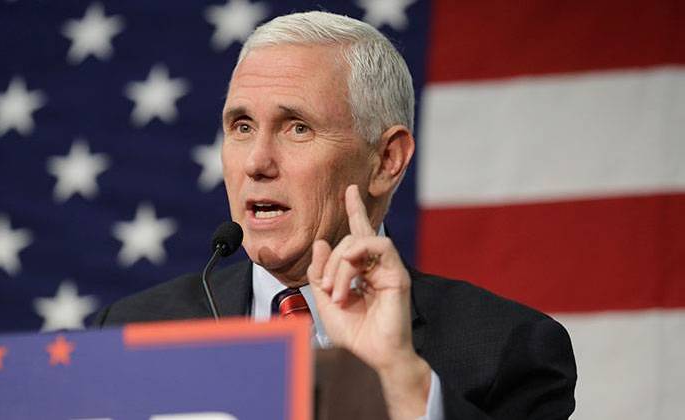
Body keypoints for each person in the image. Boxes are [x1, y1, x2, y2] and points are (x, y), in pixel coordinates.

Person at [94, 11, 576, 420]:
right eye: (241, 126)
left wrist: (400, 380)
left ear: (387, 160)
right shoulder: (128, 333)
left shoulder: (508, 350)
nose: (256, 162)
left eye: (297, 128)